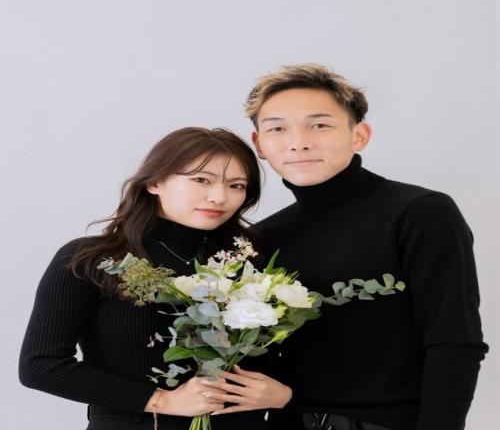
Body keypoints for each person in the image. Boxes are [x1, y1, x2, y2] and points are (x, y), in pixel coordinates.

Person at [239, 64, 488, 430]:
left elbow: (454, 341)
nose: (298, 142)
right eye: (277, 128)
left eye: (319, 125)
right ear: (260, 144)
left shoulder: (420, 213)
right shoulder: (263, 237)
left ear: (360, 135)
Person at [19, 127, 292, 430]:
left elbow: (288, 355)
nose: (219, 197)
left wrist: (285, 394)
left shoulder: (251, 261)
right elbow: (41, 365)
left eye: (236, 185)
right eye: (201, 180)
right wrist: (161, 400)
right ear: (154, 182)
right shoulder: (91, 259)